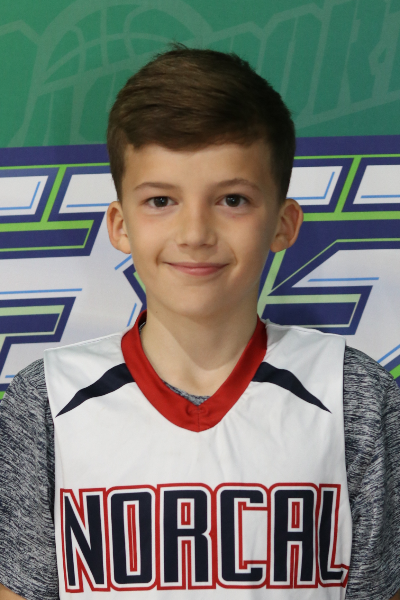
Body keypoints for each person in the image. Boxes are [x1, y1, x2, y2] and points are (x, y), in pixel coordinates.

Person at [0, 46, 399, 600]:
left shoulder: (354, 394)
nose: (194, 233)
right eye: (161, 200)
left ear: (283, 224)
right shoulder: (47, 400)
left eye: (232, 199)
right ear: (120, 224)